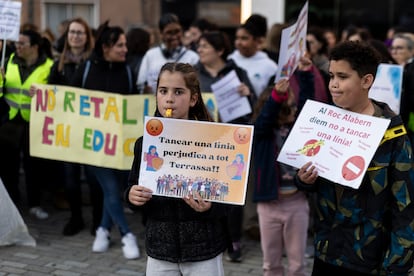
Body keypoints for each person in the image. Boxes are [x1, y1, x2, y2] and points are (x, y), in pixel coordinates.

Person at [296, 41, 414, 275]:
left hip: (369, 259)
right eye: (331, 76)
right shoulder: (324, 120)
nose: (334, 85)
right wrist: (304, 179)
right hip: (326, 250)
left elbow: (405, 207)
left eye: (342, 76)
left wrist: (397, 266)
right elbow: (313, 177)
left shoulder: (392, 133)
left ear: (366, 81)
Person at [126, 62, 229, 275]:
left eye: (178, 92)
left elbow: (230, 201)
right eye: (163, 91)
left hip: (204, 251)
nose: (169, 98)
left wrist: (211, 207)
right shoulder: (144, 144)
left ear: (193, 98)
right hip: (160, 251)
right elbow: (133, 186)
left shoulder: (214, 144)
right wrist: (131, 196)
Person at [70, 21, 139, 259]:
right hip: (92, 144)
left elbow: (135, 105)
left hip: (120, 145)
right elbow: (68, 99)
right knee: (110, 188)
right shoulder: (87, 69)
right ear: (106, 47)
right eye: (120, 45)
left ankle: (102, 229)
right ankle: (127, 234)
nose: (125, 50)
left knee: (115, 189)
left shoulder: (129, 71)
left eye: (125, 45)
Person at [47, 17, 101, 236]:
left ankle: (98, 221)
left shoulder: (95, 62)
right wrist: (39, 93)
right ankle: (76, 218)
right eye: (72, 32)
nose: (75, 36)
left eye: (80, 32)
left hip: (90, 130)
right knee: (70, 180)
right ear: (67, 36)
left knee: (93, 179)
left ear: (87, 37)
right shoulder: (58, 64)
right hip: (68, 131)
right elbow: (51, 91)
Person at [252, 78, 310, 276]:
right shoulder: (263, 134)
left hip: (297, 203)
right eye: (288, 108)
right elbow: (264, 120)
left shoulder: (299, 129)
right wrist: (277, 97)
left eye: (294, 107)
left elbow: (308, 104)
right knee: (271, 263)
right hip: (269, 206)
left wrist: (306, 74)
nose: (294, 111)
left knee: (297, 264)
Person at [0, 29, 54, 219]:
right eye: (17, 43)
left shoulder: (49, 66)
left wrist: (45, 92)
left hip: (36, 124)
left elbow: (58, 94)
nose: (17, 46)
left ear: (35, 47)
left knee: (34, 167)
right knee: (8, 166)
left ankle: (34, 204)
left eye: (22, 43)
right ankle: (13, 203)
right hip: (10, 122)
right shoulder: (8, 61)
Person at [137, 13, 199, 94]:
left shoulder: (193, 57)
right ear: (161, 34)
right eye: (169, 32)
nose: (174, 36)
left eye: (177, 31)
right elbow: (141, 84)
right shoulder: (150, 55)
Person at [228, 14, 278, 98]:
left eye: (244, 38)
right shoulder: (229, 61)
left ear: (257, 41)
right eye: (237, 38)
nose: (239, 42)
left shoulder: (270, 66)